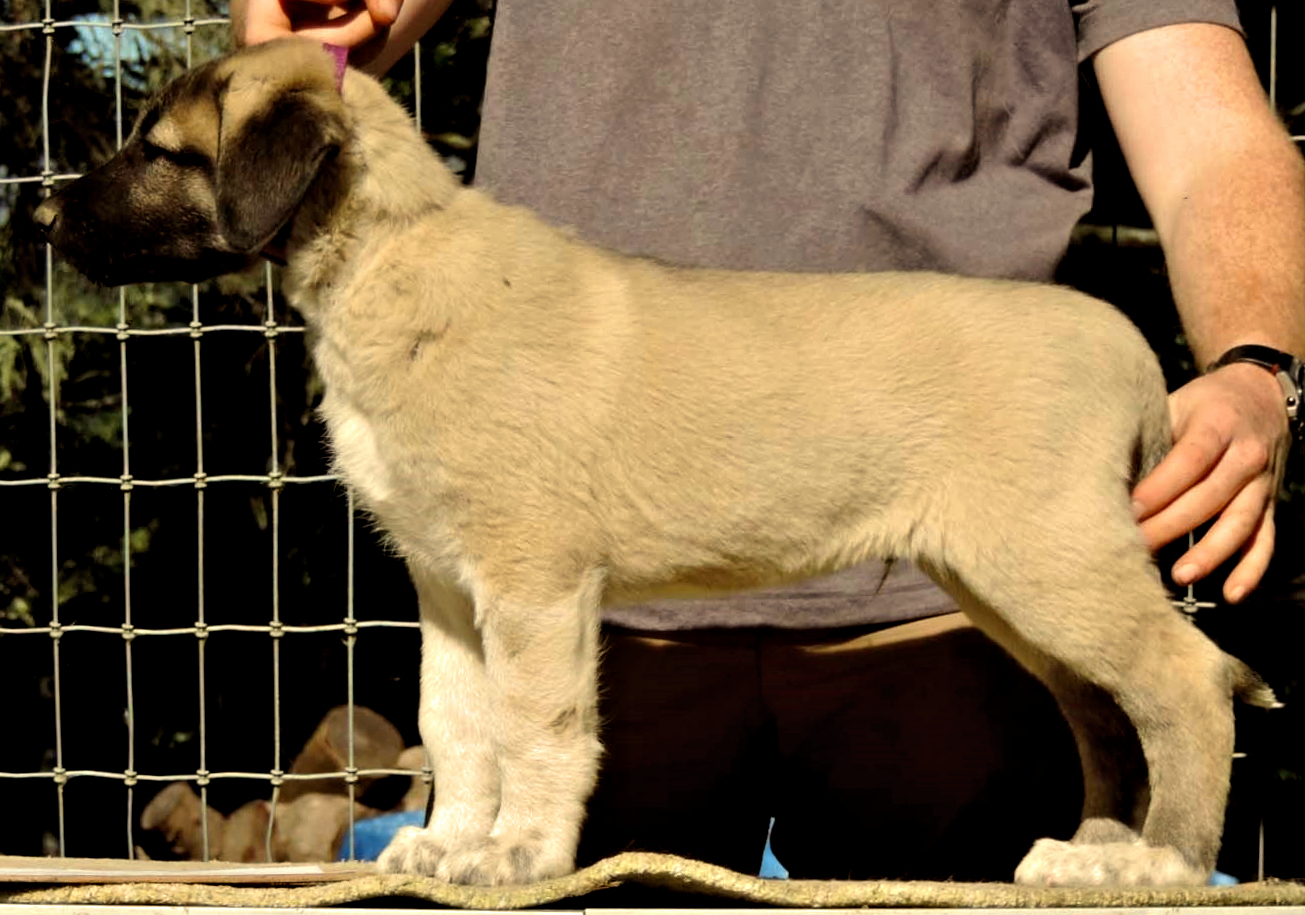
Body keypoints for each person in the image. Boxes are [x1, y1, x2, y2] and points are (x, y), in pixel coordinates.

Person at [231, 0, 1305, 880]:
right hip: (592, 631)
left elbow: (1209, 131)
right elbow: (361, 17)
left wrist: (1260, 365)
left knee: (1111, 678)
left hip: (943, 621)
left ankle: (1161, 798)